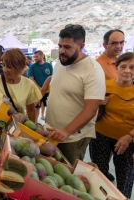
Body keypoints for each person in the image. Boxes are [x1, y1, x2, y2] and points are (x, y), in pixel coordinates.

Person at [46, 24, 106, 165]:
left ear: (81, 46)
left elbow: (91, 110)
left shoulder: (93, 70)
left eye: (67, 47)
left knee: (68, 176)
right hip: (51, 133)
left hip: (72, 138)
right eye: (60, 46)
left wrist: (66, 131)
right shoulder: (61, 63)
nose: (61, 51)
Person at [89, 52, 134, 198]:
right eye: (123, 67)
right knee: (98, 174)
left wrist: (129, 137)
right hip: (100, 136)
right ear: (117, 68)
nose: (127, 71)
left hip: (127, 141)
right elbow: (88, 107)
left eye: (132, 67)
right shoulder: (104, 86)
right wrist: (97, 102)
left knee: (125, 177)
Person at [96, 29, 125, 182]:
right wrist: (96, 99)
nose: (118, 46)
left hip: (122, 127)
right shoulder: (98, 65)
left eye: (121, 42)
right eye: (114, 43)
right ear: (104, 44)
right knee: (99, 168)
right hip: (102, 125)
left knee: (123, 171)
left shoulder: (121, 63)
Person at [28, 50, 53, 122]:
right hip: (36, 91)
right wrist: (40, 88)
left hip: (47, 91)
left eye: (37, 56)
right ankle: (35, 122)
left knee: (45, 105)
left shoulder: (48, 65)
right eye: (34, 56)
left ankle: (43, 117)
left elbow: (51, 77)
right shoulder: (32, 66)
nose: (35, 58)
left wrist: (46, 88)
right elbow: (31, 78)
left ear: (42, 56)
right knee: (36, 107)